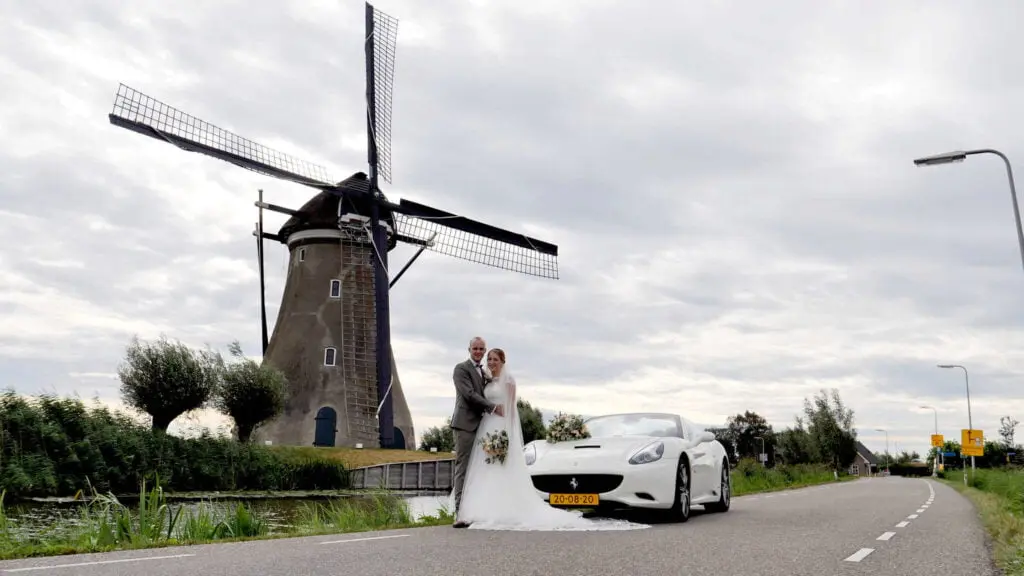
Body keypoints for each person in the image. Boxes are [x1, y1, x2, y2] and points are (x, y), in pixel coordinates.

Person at [454, 347, 649, 532]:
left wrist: (507, 435)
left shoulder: (509, 381)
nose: (491, 362)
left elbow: (512, 411)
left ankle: (503, 509)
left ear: (503, 362)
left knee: (502, 468)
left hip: (501, 427)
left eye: (495, 359)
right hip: (486, 427)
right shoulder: (487, 380)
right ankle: (481, 509)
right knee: (485, 468)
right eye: (489, 359)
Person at [450, 336, 504, 528]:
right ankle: (460, 513)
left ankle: (478, 510)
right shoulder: (461, 369)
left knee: (479, 470)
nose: (479, 352)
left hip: (483, 427)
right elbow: (469, 394)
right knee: (463, 468)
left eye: (482, 349)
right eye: (476, 349)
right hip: (465, 424)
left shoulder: (484, 372)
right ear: (469, 349)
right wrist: (493, 407)